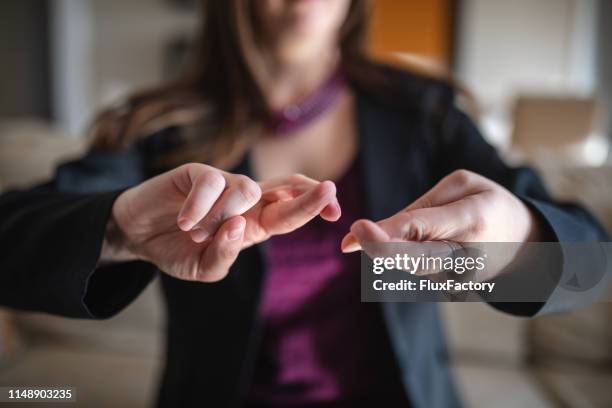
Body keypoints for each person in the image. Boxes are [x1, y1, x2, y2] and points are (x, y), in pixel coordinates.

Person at [0, 0, 608, 407]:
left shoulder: (423, 114)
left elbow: (591, 267)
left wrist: (519, 241)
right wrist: (120, 228)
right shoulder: (155, 126)